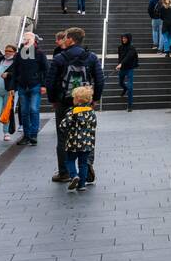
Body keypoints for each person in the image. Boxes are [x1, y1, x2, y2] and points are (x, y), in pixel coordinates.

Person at [46, 27, 103, 184]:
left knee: (63, 136)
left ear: (71, 39)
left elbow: (50, 82)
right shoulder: (91, 57)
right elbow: (100, 79)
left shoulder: (59, 58)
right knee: (88, 134)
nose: (64, 40)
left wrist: (53, 100)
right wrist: (95, 98)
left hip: (64, 103)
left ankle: (64, 172)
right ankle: (87, 164)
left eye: (65, 38)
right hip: (84, 103)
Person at [6, 32, 48, 147]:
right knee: (24, 112)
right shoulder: (20, 54)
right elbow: (15, 71)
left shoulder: (39, 54)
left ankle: (33, 135)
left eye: (28, 39)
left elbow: (45, 70)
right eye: (25, 39)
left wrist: (44, 85)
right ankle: (27, 135)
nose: (25, 40)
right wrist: (12, 86)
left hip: (34, 85)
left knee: (33, 110)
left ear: (33, 40)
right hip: (23, 86)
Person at [60, 85, 99, 192]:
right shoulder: (91, 112)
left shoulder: (72, 112)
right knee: (83, 163)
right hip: (87, 143)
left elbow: (63, 126)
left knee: (70, 160)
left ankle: (74, 176)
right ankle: (82, 185)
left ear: (77, 99)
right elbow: (94, 126)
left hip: (73, 142)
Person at [117, 33, 138, 112]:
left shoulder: (132, 48)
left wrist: (121, 64)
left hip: (129, 69)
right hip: (122, 68)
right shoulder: (120, 47)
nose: (124, 39)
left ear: (129, 39)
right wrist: (119, 64)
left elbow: (128, 57)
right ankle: (124, 89)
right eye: (123, 38)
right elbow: (120, 57)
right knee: (120, 83)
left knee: (130, 87)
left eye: (125, 38)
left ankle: (129, 106)